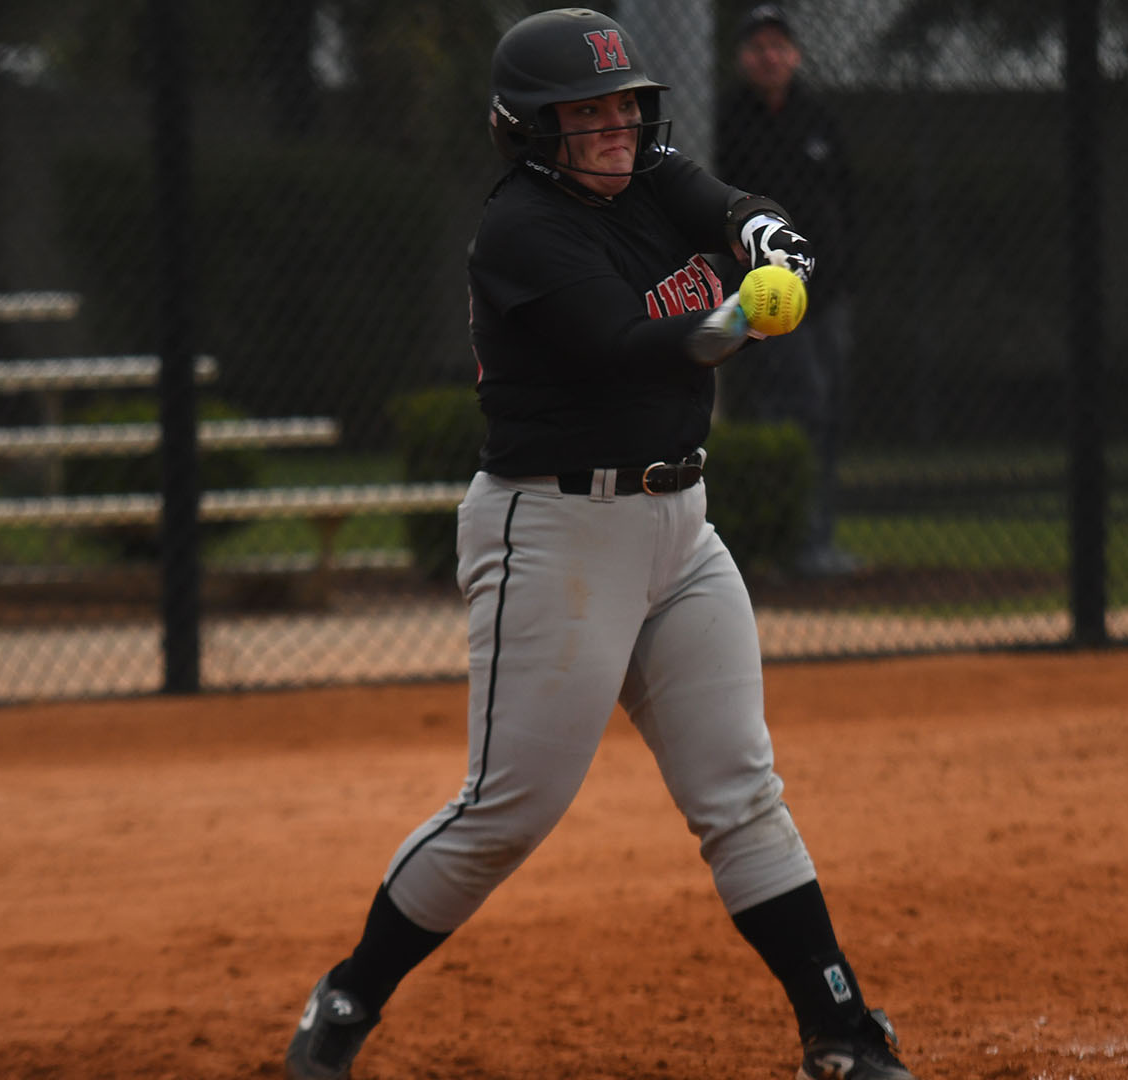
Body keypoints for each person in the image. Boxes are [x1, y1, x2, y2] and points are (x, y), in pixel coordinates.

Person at [284, 9, 915, 1080]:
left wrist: (767, 237)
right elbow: (630, 351)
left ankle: (843, 1036)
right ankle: (346, 999)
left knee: (739, 790)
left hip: (681, 527)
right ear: (533, 130)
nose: (617, 126)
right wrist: (741, 321)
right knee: (509, 809)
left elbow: (731, 206)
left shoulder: (650, 171)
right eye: (588, 113)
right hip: (556, 533)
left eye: (624, 104)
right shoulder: (523, 232)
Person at [714, 3, 860, 578]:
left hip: (826, 297)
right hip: (767, 294)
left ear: (795, 55)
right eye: (758, 46)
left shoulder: (818, 117)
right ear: (742, 58)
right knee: (792, 408)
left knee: (826, 413)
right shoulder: (727, 120)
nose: (769, 56)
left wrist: (847, 276)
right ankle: (788, 543)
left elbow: (846, 200)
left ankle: (815, 538)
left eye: (779, 45)